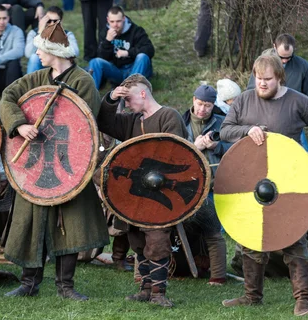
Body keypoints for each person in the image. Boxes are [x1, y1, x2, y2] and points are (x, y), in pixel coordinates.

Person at [220, 51, 308, 316]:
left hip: (288, 182)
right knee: (251, 238)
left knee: (292, 238)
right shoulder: (243, 100)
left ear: (280, 78)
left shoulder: (298, 101)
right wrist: (246, 130)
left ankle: (303, 300)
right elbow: (225, 130)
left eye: (268, 79)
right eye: (258, 78)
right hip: (251, 183)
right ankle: (252, 296)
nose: (261, 84)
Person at [0, 21, 109, 300]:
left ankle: (65, 286)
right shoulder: (36, 78)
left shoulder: (83, 81)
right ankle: (29, 283)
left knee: (68, 224)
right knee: (33, 221)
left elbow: (83, 122)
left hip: (68, 162)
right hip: (37, 162)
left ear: (53, 51)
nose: (37, 54)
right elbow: (7, 97)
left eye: (40, 49)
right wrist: (20, 125)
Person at [97, 74, 226, 307]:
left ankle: (158, 292)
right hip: (137, 194)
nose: (126, 104)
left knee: (157, 239)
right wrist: (111, 98)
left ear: (143, 94)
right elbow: (104, 123)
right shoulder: (131, 121)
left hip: (163, 193)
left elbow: (172, 154)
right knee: (137, 239)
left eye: (129, 98)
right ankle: (145, 289)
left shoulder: (169, 116)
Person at [89, 6, 154, 88]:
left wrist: (128, 53)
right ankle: (91, 96)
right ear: (108, 20)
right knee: (95, 62)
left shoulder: (136, 30)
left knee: (142, 56)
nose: (115, 25)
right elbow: (102, 58)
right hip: (117, 71)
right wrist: (107, 42)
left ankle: (131, 90)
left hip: (135, 68)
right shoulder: (105, 32)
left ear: (124, 18)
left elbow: (150, 49)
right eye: (112, 22)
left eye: (118, 21)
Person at [247, 34, 308, 100]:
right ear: (274, 47)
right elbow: (251, 89)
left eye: (289, 57)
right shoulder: (261, 64)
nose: (284, 61)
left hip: (292, 108)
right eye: (281, 57)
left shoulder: (303, 65)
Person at [183, 85, 233, 176]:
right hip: (192, 182)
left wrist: (217, 146)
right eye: (199, 104)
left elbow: (237, 149)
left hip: (220, 181)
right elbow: (174, 158)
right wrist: (194, 148)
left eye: (207, 106)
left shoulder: (224, 122)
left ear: (214, 104)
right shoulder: (181, 124)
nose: (202, 109)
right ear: (194, 100)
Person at [25, 6, 78, 74]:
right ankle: (32, 84)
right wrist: (40, 33)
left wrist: (60, 37)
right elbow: (28, 53)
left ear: (61, 22)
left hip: (60, 66)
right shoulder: (34, 33)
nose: (52, 24)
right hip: (41, 67)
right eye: (49, 21)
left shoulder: (67, 34)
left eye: (55, 21)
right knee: (34, 58)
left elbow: (74, 52)